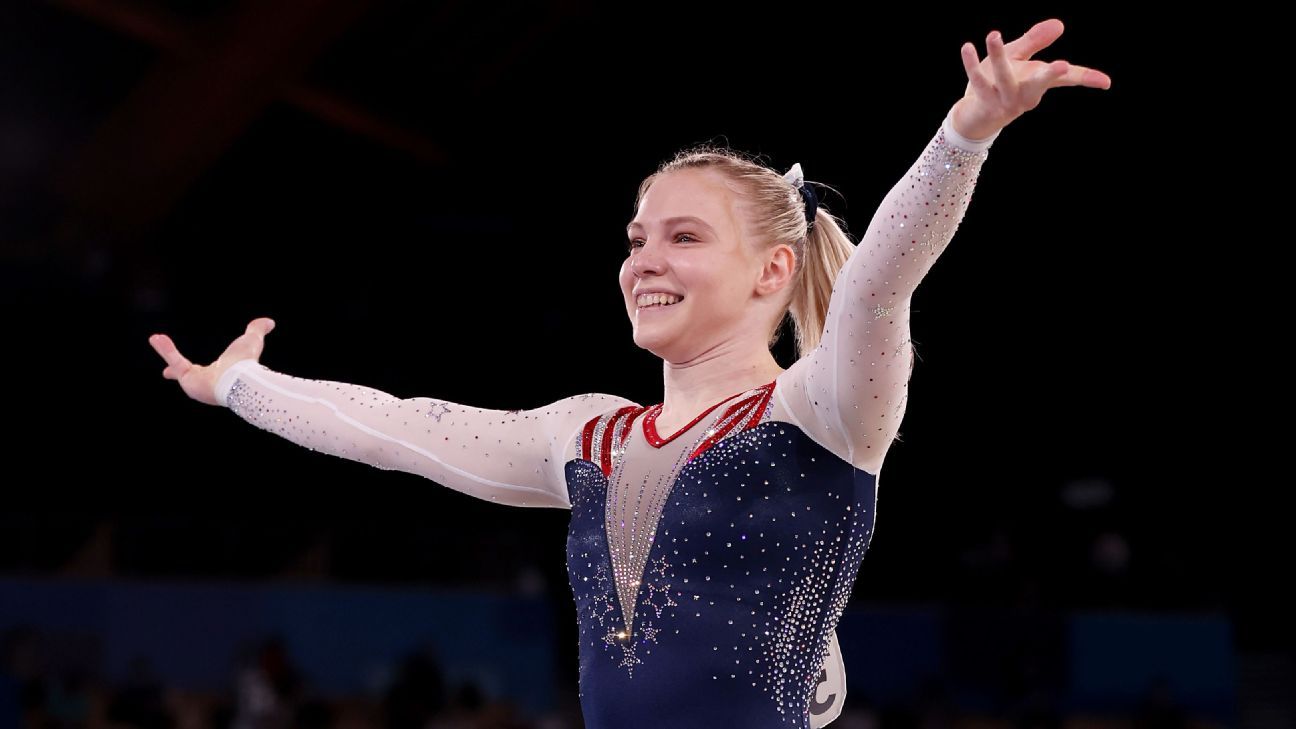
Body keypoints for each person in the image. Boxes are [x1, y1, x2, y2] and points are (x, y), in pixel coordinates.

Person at [147, 17, 1110, 729]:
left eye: (683, 236)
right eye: (636, 237)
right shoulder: (592, 433)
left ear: (773, 270)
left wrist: (966, 134)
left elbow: (879, 284)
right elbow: (404, 428)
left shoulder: (822, 407)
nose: (643, 259)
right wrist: (236, 384)